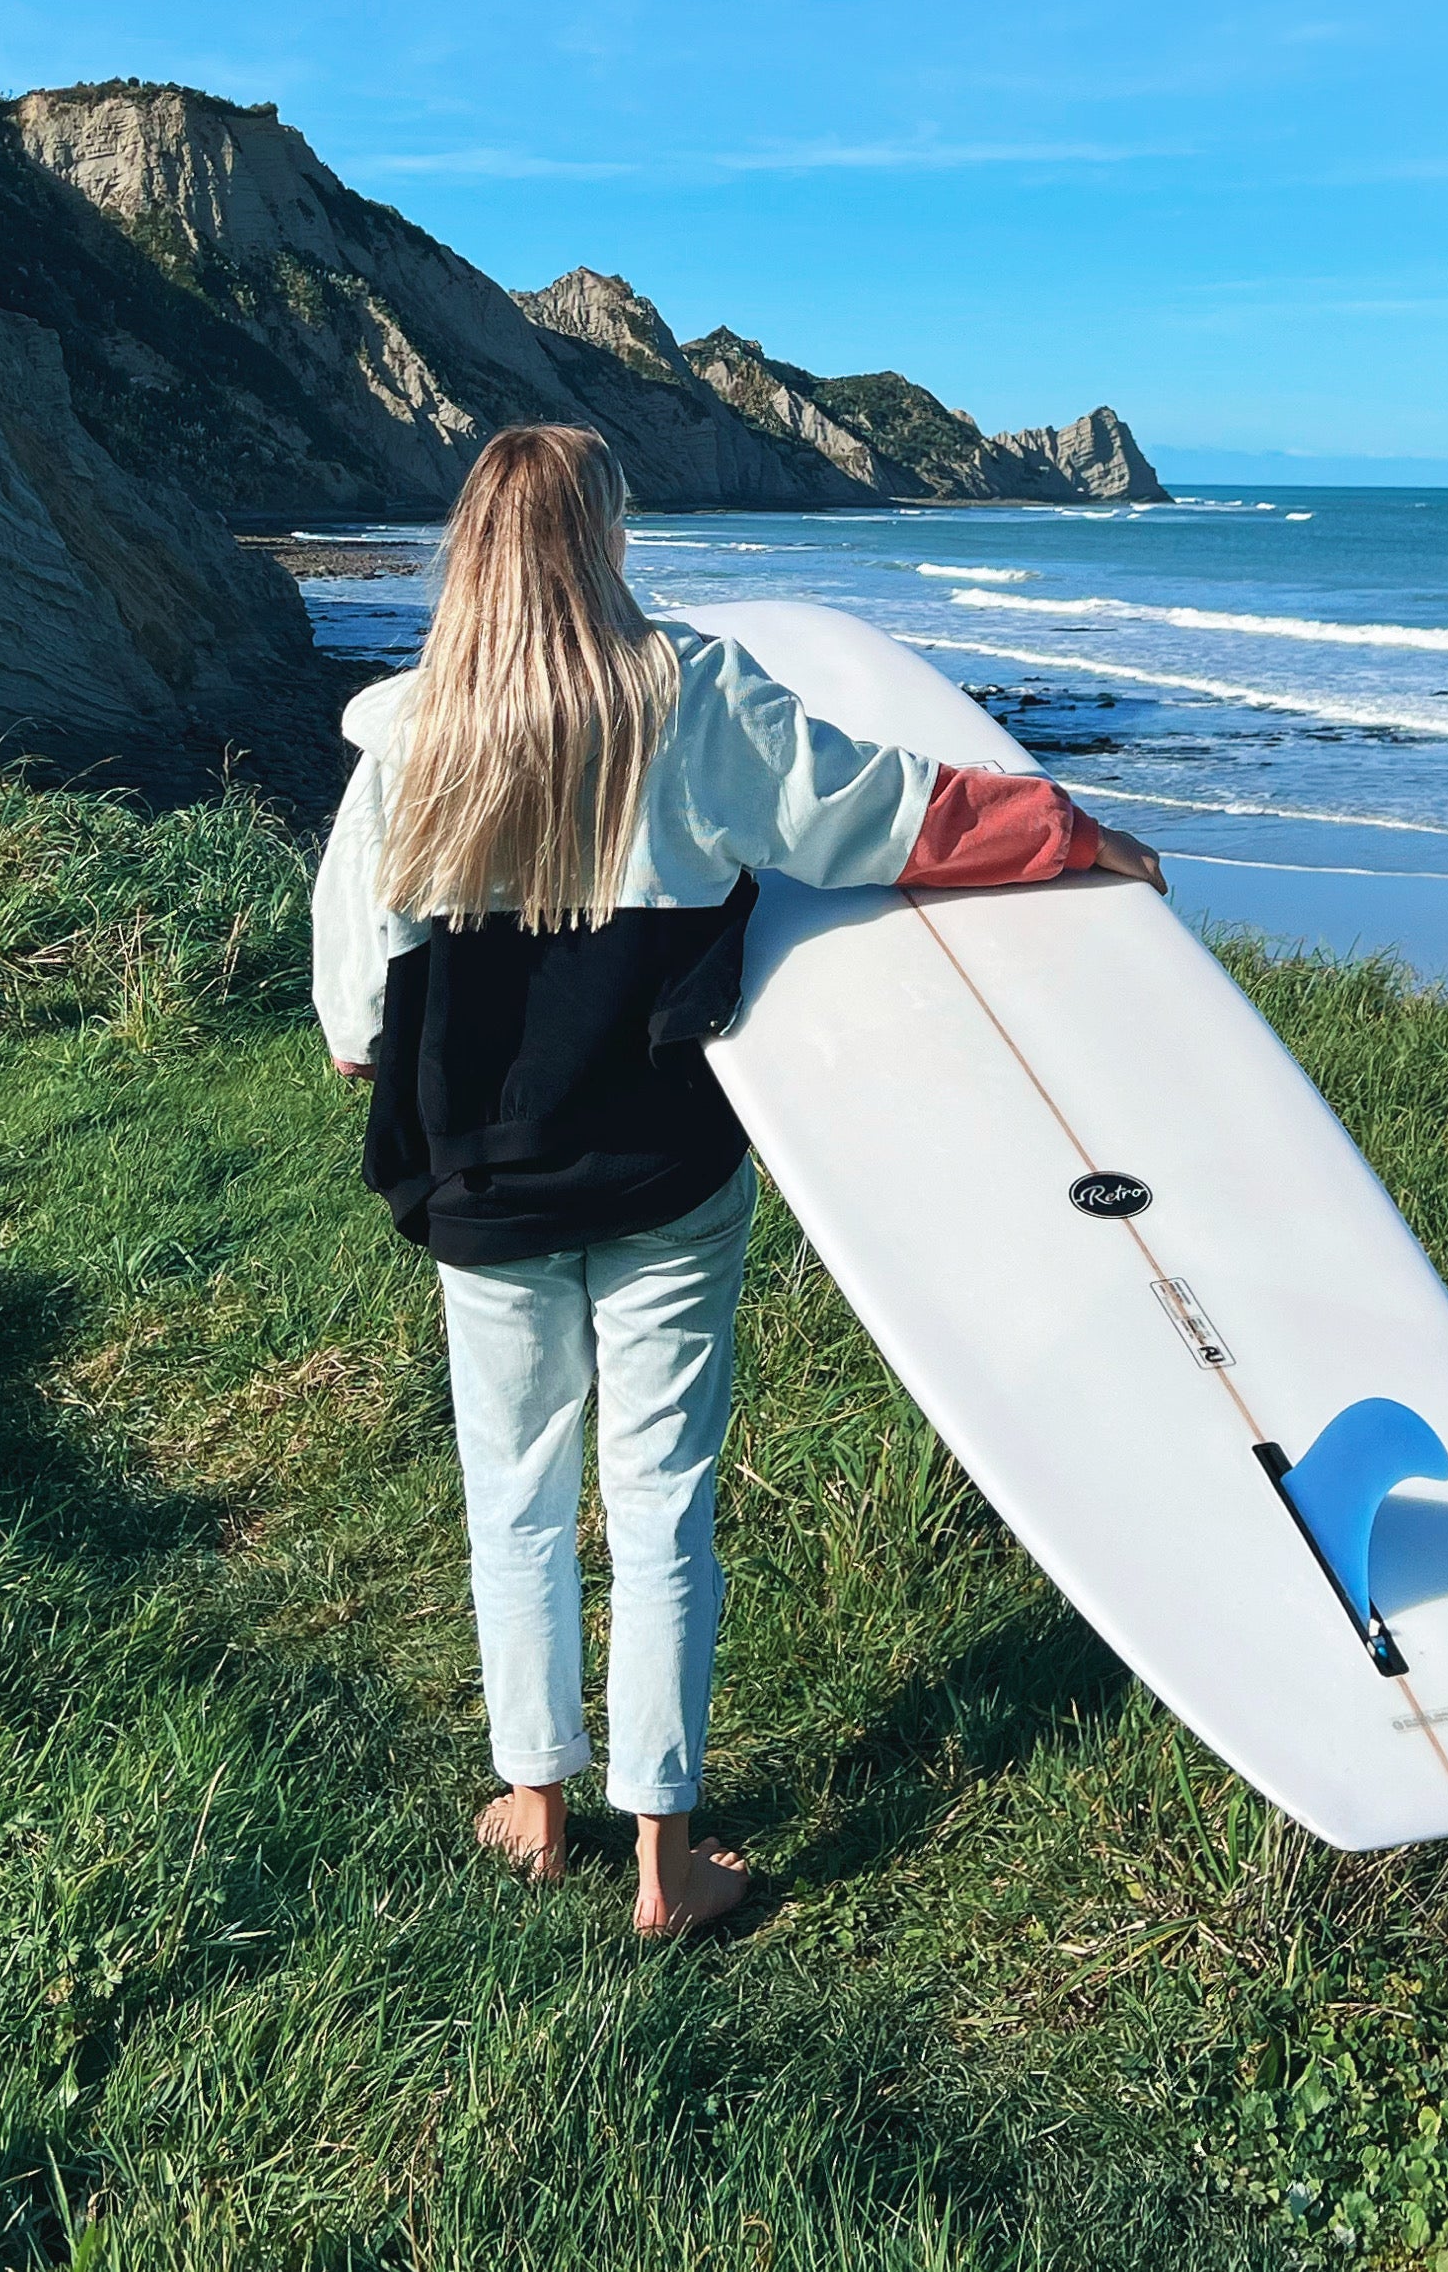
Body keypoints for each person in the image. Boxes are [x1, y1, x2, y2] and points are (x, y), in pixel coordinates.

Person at [313, 425, 1165, 1935]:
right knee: (661, 1502)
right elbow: (890, 814)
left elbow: (351, 1024)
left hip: (482, 1188)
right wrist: (1071, 830)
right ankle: (666, 1861)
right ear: (604, 540)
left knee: (511, 1492)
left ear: (471, 553)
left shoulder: (400, 739)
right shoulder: (695, 698)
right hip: (662, 1167)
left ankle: (534, 1800)